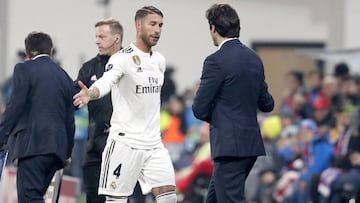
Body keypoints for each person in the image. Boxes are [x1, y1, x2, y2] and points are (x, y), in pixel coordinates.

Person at [73, 6, 177, 203]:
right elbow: (106, 81)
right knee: (116, 200)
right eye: (152, 24)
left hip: (153, 144)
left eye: (160, 25)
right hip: (125, 143)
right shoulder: (122, 58)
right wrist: (91, 93)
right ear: (138, 25)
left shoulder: (159, 61)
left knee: (169, 197)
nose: (157, 30)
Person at [192, 4, 274, 203]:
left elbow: (199, 108)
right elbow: (267, 104)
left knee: (230, 199)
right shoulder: (254, 58)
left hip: (229, 145)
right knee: (213, 199)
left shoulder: (215, 60)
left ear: (213, 28)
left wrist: (223, 118)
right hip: (250, 144)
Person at [0, 31, 75, 203]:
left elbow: (15, 106)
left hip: (34, 146)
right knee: (34, 196)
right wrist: (67, 153)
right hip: (57, 150)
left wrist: (1, 135)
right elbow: (69, 119)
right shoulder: (64, 76)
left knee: (29, 197)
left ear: (27, 53)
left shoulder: (23, 69)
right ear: (50, 50)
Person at [75, 17, 123, 203]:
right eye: (96, 36)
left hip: (122, 146)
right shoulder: (89, 68)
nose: (97, 41)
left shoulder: (130, 65)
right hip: (94, 146)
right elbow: (72, 99)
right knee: (93, 197)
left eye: (102, 36)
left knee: (118, 198)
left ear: (116, 38)